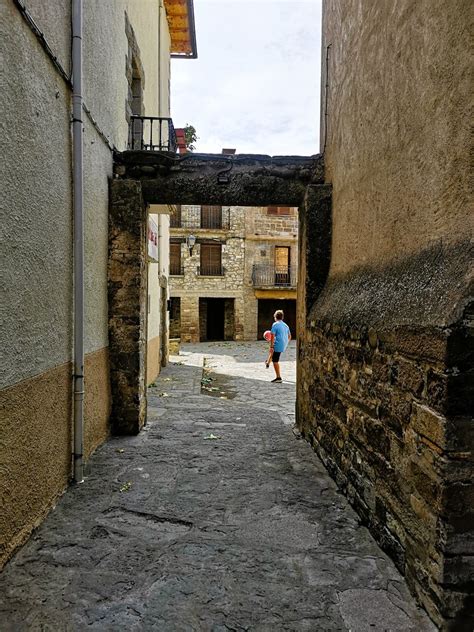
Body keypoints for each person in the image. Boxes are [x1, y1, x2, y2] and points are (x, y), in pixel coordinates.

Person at [268, 310, 291, 383]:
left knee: (275, 360)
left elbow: (272, 336)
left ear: (275, 317)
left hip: (278, 344)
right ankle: (268, 362)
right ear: (282, 317)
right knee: (274, 353)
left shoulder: (275, 324)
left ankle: (278, 377)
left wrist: (271, 346)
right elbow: (290, 336)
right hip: (284, 344)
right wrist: (285, 343)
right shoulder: (286, 325)